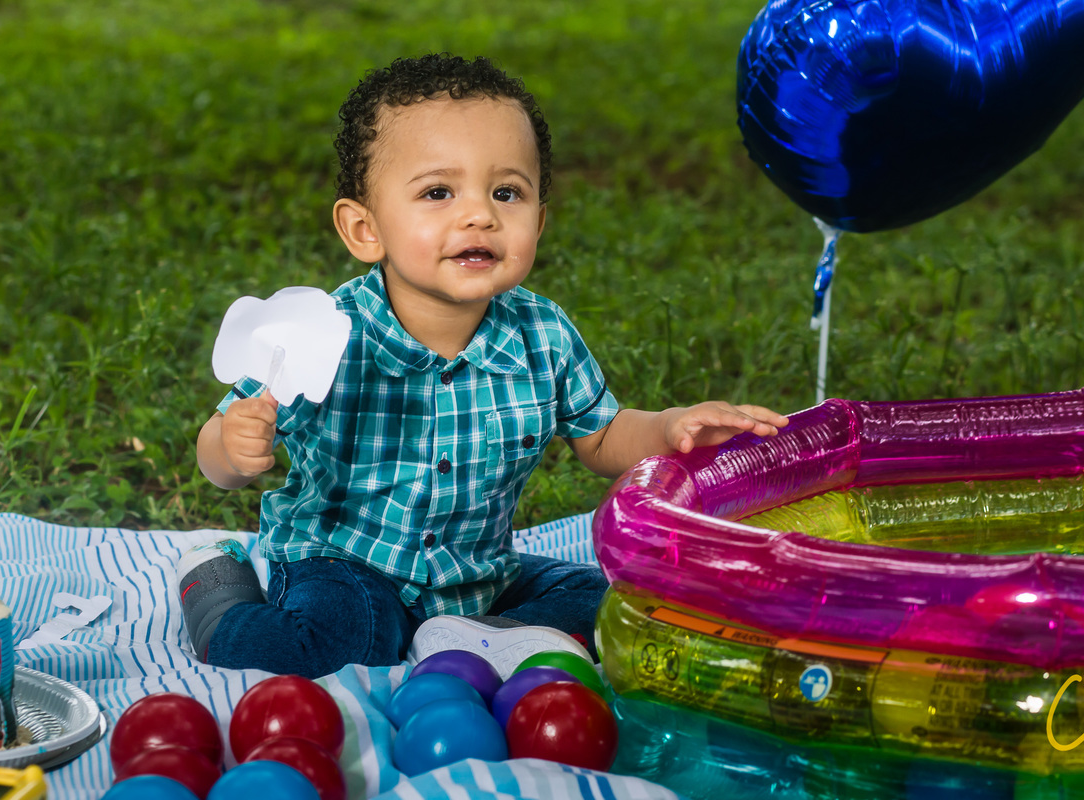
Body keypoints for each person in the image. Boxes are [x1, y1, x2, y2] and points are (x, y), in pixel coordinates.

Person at [183, 53, 789, 679]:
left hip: (476, 578)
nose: (480, 214)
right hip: (342, 563)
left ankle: (470, 638)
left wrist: (668, 429)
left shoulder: (543, 334)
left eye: (507, 192)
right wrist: (232, 449)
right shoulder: (326, 332)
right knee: (342, 638)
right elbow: (216, 454)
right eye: (438, 192)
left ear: (540, 220)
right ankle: (213, 588)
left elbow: (602, 436)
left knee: (614, 602)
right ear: (365, 229)